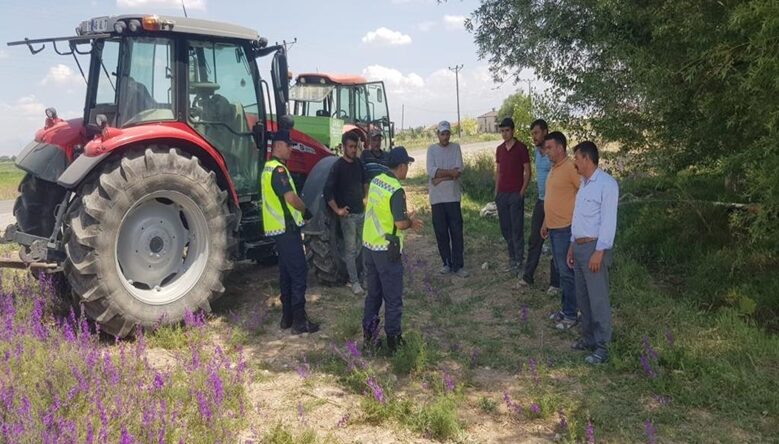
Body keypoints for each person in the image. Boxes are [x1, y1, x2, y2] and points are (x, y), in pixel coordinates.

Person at [361, 147, 423, 353]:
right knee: (393, 296)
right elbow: (400, 223)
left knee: (373, 295)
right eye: (408, 166)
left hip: (369, 246)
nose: (408, 170)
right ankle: (394, 341)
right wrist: (411, 222)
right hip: (387, 249)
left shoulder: (377, 181)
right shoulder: (396, 190)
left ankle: (369, 337)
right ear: (402, 166)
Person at [261, 130, 319, 334]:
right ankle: (299, 321)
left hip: (278, 230)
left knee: (286, 274)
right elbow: (291, 198)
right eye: (289, 145)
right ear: (278, 146)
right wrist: (306, 210)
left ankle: (287, 318)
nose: (292, 149)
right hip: (287, 228)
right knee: (299, 273)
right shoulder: (278, 171)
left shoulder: (268, 169)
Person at [567, 141, 619, 364]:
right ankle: (588, 338)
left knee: (598, 298)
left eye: (577, 158)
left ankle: (603, 346)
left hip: (594, 248)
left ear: (587, 159)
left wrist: (600, 251)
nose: (575, 163)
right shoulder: (584, 184)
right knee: (583, 296)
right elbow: (579, 217)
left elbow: (608, 221)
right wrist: (571, 244)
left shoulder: (606, 184)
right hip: (579, 247)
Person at [541, 131, 580, 330]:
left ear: (560, 147)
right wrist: (545, 222)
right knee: (562, 271)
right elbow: (552, 198)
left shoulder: (571, 167)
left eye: (549, 148)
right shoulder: (554, 168)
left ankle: (572, 315)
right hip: (554, 228)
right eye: (545, 148)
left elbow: (584, 192)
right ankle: (566, 309)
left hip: (566, 229)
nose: (546, 151)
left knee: (566, 273)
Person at [323, 132, 369, 294]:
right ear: (343, 147)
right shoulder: (337, 167)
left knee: (363, 247)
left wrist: (366, 199)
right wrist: (338, 210)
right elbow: (327, 191)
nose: (353, 150)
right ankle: (354, 281)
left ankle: (365, 278)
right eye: (350, 147)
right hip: (348, 216)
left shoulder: (359, 164)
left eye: (355, 147)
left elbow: (364, 182)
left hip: (361, 213)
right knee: (350, 250)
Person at [518, 119, 560, 294]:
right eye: (532, 134)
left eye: (536, 133)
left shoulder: (554, 152)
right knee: (535, 239)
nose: (533, 137)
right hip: (541, 201)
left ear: (545, 132)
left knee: (556, 242)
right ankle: (528, 277)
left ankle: (555, 283)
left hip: (556, 203)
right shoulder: (536, 151)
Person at [427, 121, 467, 277]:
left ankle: (458, 265)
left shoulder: (456, 148)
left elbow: (458, 171)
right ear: (438, 134)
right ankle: (446, 262)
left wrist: (440, 177)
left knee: (456, 232)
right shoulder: (431, 150)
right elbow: (431, 171)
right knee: (441, 233)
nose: (445, 136)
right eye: (442, 134)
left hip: (453, 197)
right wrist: (449, 174)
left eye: (447, 133)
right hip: (437, 200)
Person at [494, 117, 531, 274]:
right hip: (502, 194)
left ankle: (519, 260)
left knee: (517, 228)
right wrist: (496, 192)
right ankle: (512, 257)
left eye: (507, 130)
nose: (504, 134)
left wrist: (522, 191)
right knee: (505, 228)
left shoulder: (521, 148)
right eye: (502, 131)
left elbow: (528, 171)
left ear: (513, 130)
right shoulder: (500, 149)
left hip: (515, 194)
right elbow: (498, 171)